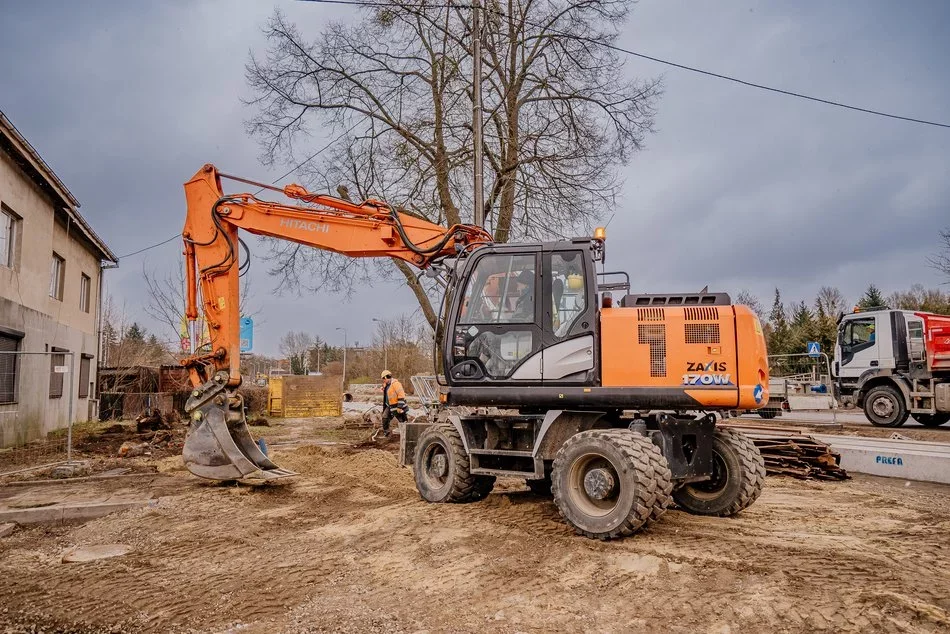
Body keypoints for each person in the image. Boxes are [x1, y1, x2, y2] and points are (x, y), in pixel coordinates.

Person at [380, 370, 407, 437]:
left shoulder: (396, 384)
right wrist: (383, 388)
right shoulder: (386, 384)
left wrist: (400, 407)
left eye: (383, 379)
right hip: (389, 406)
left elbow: (401, 395)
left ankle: (405, 433)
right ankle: (387, 432)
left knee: (402, 421)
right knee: (384, 417)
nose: (383, 381)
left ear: (386, 377)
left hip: (397, 406)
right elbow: (387, 390)